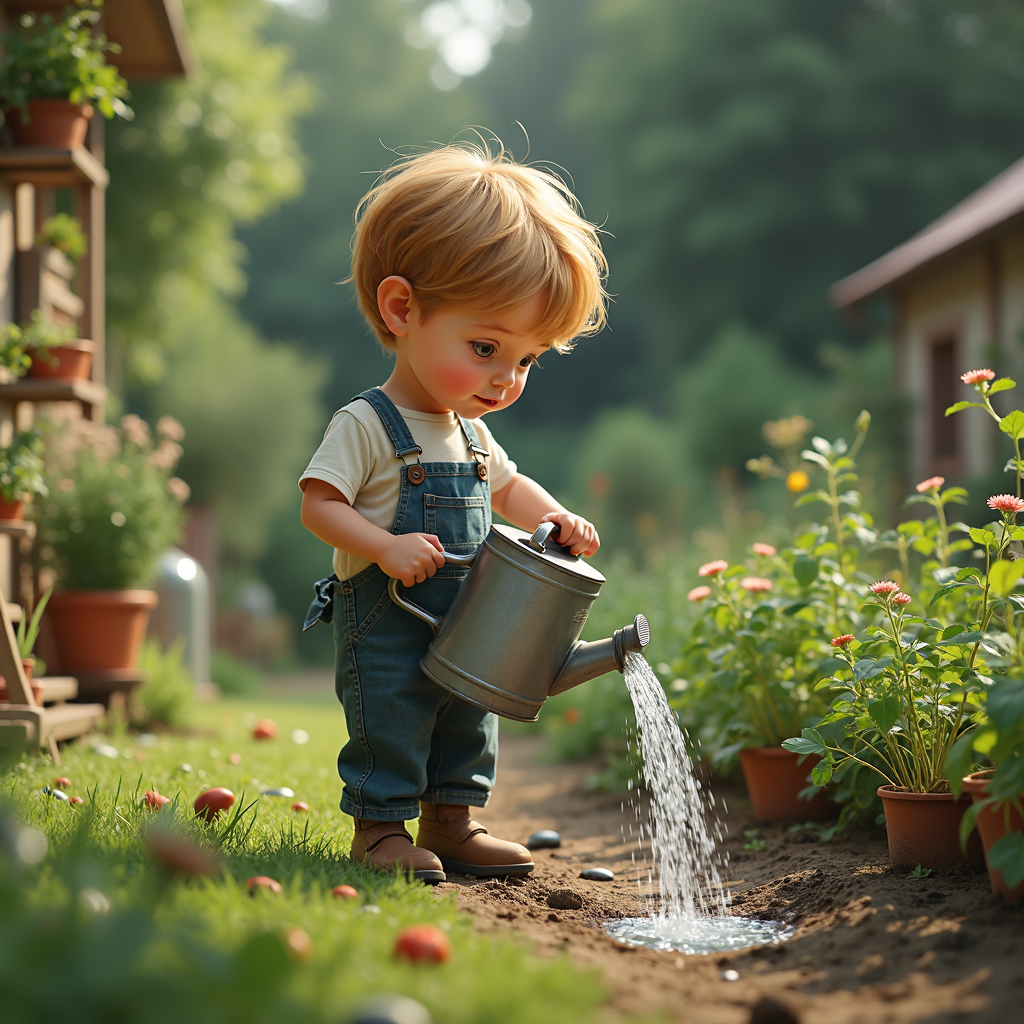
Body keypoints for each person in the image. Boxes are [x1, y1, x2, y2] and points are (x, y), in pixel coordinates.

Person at [299, 140, 607, 883]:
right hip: (388, 620)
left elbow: (509, 487)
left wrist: (559, 516)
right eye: (486, 347)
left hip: (468, 620)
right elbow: (318, 505)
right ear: (402, 309)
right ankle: (379, 831)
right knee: (395, 717)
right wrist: (381, 546)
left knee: (468, 716)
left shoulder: (472, 432)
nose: (506, 379)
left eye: (528, 360)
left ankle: (453, 821)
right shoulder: (368, 424)